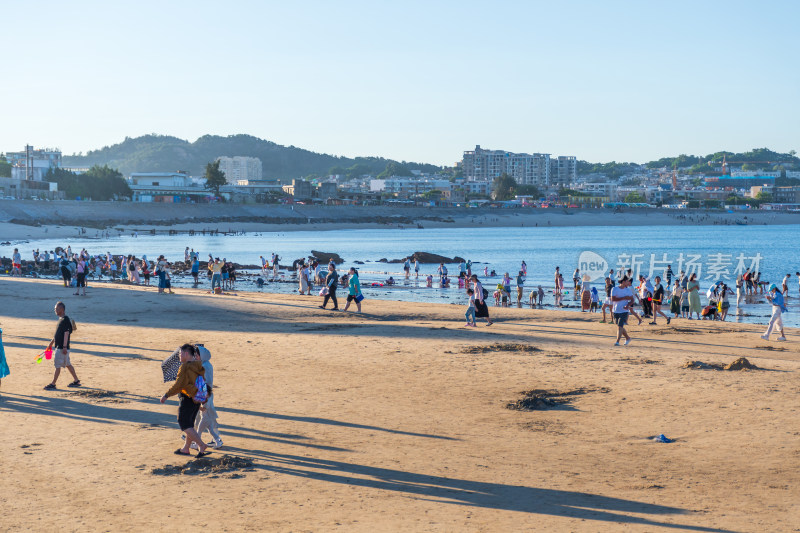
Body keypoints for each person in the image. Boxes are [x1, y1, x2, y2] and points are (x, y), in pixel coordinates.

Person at [160, 344, 212, 457]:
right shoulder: (198, 365)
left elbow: (179, 385)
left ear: (186, 354)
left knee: (184, 424)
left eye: (180, 353)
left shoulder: (184, 367)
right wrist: (202, 399)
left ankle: (201, 445)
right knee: (190, 424)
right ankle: (186, 448)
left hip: (187, 398)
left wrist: (166, 395)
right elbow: (202, 382)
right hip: (196, 398)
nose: (179, 355)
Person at [44, 301, 80, 390]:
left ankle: (53, 383)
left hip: (62, 348)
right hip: (61, 347)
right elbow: (57, 334)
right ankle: (76, 380)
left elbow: (66, 333)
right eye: (55, 309)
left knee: (57, 366)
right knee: (67, 364)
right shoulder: (60, 319)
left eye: (57, 309)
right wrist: (51, 344)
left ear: (62, 309)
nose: (55, 310)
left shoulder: (65, 320)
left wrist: (64, 347)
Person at [194, 345, 223, 449]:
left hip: (205, 394)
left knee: (205, 418)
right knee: (208, 418)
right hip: (206, 394)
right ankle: (216, 439)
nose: (196, 356)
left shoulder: (205, 366)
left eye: (197, 355)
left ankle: (197, 439)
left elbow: (204, 381)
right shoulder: (205, 364)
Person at [610, 277, 634, 346]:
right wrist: (624, 298)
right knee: (618, 325)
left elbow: (632, 300)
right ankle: (628, 338)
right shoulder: (614, 289)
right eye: (627, 281)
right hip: (615, 310)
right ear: (623, 282)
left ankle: (617, 341)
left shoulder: (628, 290)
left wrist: (628, 305)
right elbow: (613, 299)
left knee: (620, 326)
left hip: (624, 311)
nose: (628, 283)